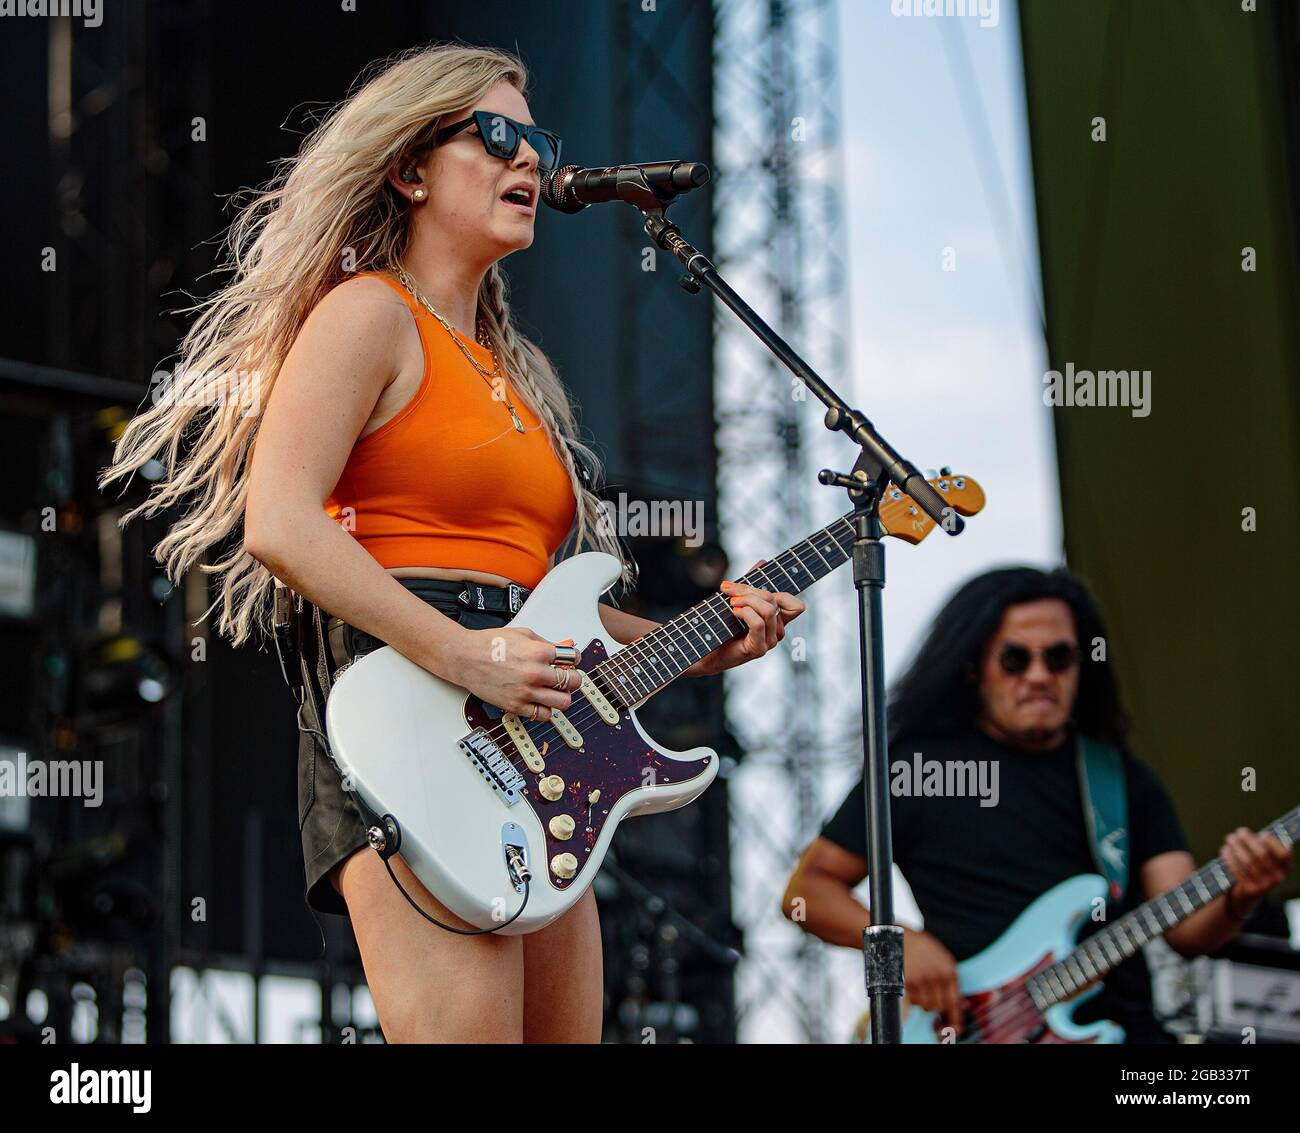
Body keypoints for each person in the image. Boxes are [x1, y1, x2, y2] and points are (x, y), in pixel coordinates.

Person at [101, 43, 804, 1042]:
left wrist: (702, 636)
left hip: (544, 750)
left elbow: (543, 603)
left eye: (538, 141)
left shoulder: (519, 375)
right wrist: (460, 650)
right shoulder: (367, 315)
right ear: (409, 167)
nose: (528, 161)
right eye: (497, 136)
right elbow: (281, 521)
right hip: (416, 722)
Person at [782, 567, 1291, 1043]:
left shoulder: (1120, 780)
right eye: (1015, 658)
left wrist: (1238, 895)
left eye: (1059, 657)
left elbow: (1185, 928)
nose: (1039, 675)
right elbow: (808, 890)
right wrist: (900, 944)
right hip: (970, 1025)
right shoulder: (917, 771)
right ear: (975, 667)